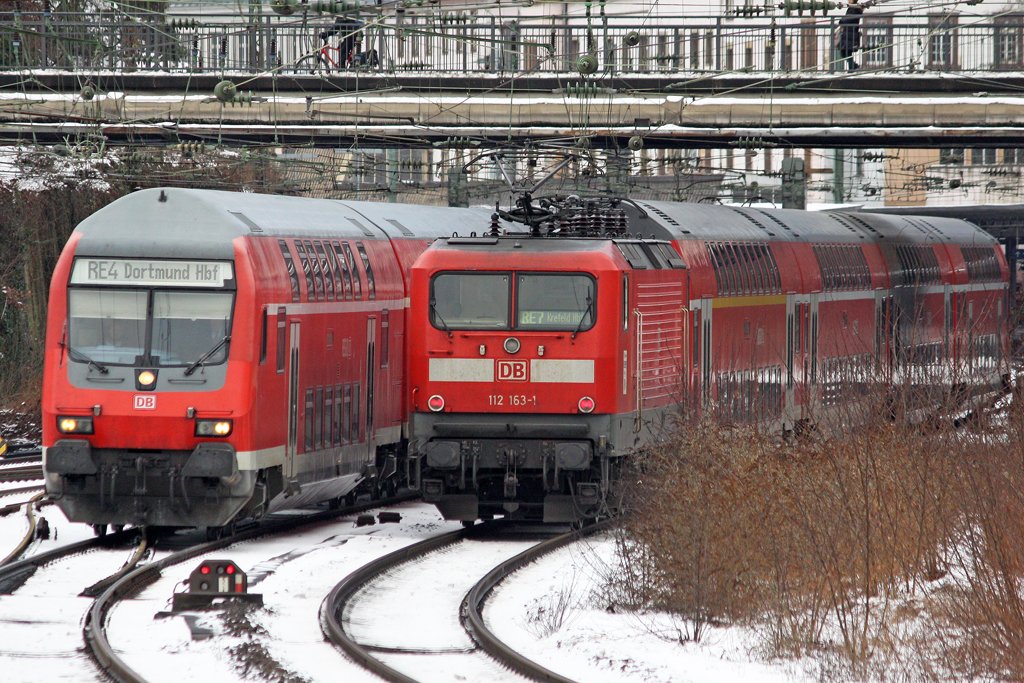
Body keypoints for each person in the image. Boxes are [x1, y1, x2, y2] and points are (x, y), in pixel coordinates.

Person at [836, 0, 874, 71]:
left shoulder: (854, 9)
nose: (848, 0)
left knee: (846, 52)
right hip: (848, 33)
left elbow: (849, 19)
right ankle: (854, 66)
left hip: (850, 34)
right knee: (844, 52)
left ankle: (852, 68)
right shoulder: (852, 8)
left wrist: (841, 21)